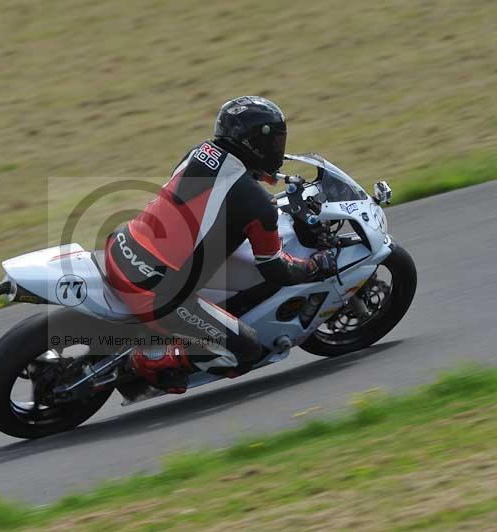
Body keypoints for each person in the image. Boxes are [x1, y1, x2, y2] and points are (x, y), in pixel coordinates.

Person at [104, 96, 337, 393]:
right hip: (156, 291)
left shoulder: (200, 152)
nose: (278, 149)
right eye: (275, 141)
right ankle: (145, 361)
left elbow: (215, 197)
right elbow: (276, 269)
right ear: (255, 142)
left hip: (123, 244)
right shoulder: (257, 204)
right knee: (248, 349)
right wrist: (315, 266)